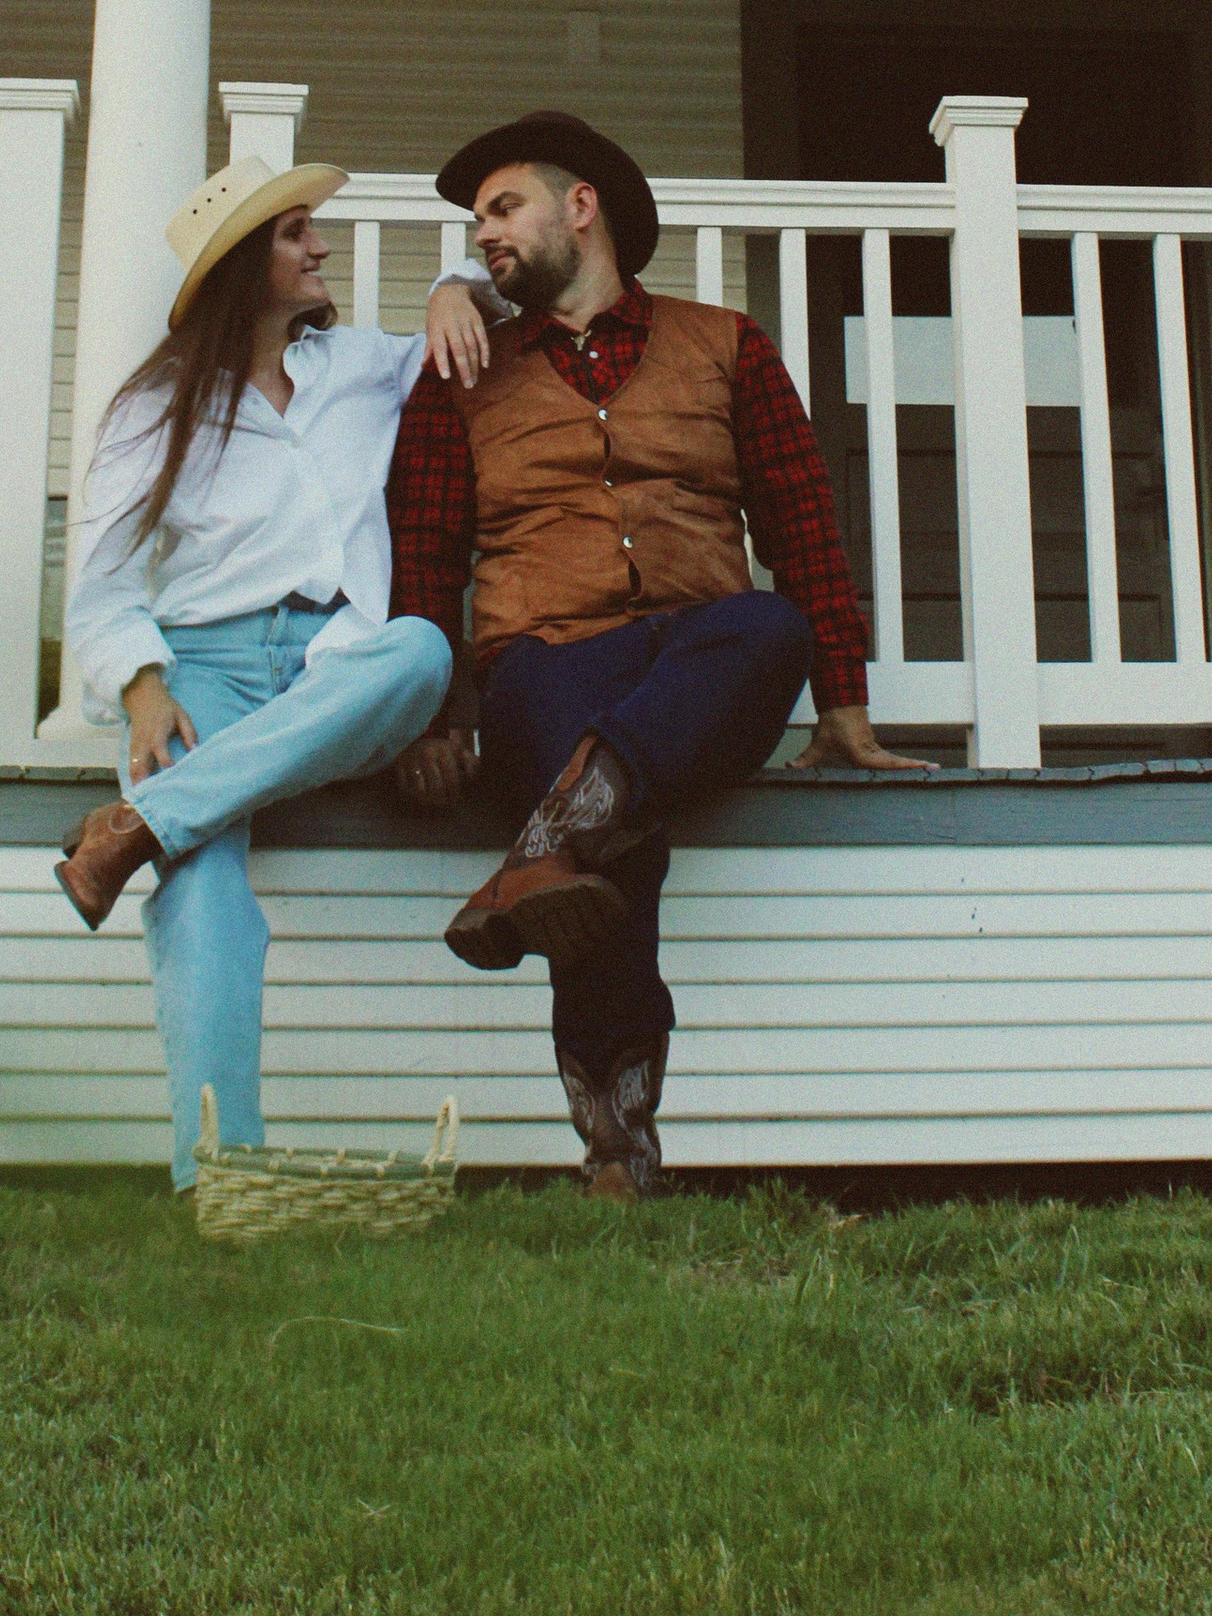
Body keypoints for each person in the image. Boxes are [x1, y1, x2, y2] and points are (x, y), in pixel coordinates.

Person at [390, 110, 927, 1199]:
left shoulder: (727, 344)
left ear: (580, 207)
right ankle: (618, 1143)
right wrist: (438, 715)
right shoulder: (465, 370)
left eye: (504, 208)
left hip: (697, 657)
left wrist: (844, 707)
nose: (483, 234)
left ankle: (548, 852)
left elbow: (802, 528)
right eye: (477, 221)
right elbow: (424, 554)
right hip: (544, 658)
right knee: (609, 822)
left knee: (768, 624)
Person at [56, 149, 494, 1188]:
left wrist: (452, 288)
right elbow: (102, 589)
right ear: (245, 264)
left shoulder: (360, 366)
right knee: (203, 884)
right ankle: (222, 1175)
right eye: (297, 233)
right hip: (201, 667)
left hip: (338, 664)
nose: (320, 246)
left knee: (422, 651)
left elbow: (486, 309)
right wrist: (144, 688)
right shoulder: (154, 408)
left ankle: (137, 827)